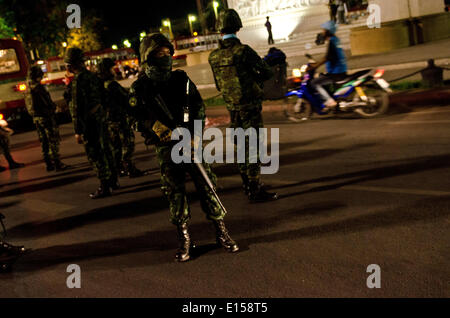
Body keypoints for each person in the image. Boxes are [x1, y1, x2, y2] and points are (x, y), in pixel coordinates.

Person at [129, 33, 239, 262]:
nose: (166, 57)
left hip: (191, 143)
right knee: (175, 193)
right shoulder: (141, 87)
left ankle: (221, 232)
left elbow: (198, 108)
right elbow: (135, 117)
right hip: (167, 147)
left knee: (207, 186)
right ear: (148, 57)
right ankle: (185, 240)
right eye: (160, 54)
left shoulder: (182, 80)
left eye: (168, 53)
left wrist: (196, 137)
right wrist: (157, 128)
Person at [208, 9, 278, 203]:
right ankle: (255, 188)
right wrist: (253, 79)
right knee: (254, 146)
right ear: (237, 26)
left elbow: (217, 84)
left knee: (241, 146)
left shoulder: (213, 56)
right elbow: (266, 72)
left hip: (233, 108)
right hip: (250, 107)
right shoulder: (243, 51)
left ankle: (247, 184)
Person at [64, 47, 118, 199]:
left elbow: (76, 108)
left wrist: (77, 131)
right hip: (100, 119)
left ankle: (105, 186)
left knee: (95, 153)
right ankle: (114, 181)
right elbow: (104, 97)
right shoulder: (93, 76)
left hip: (89, 123)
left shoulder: (78, 81)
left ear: (70, 65)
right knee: (106, 149)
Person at [97, 58, 144, 178]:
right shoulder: (112, 85)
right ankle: (129, 168)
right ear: (106, 70)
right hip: (119, 119)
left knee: (116, 146)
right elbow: (126, 99)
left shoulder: (101, 85)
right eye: (112, 68)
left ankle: (118, 168)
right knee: (127, 144)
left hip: (109, 120)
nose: (114, 70)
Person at [27, 66, 68, 172]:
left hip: (36, 118)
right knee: (52, 140)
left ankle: (48, 164)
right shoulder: (38, 88)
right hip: (46, 117)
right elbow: (47, 102)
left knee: (44, 141)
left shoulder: (28, 87)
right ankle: (57, 163)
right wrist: (55, 108)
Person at [310, 21, 348, 110]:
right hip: (340, 70)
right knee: (321, 76)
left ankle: (329, 101)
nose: (322, 32)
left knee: (314, 83)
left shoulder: (332, 42)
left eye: (324, 30)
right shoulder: (336, 40)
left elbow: (327, 57)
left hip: (336, 73)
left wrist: (315, 66)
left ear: (328, 31)